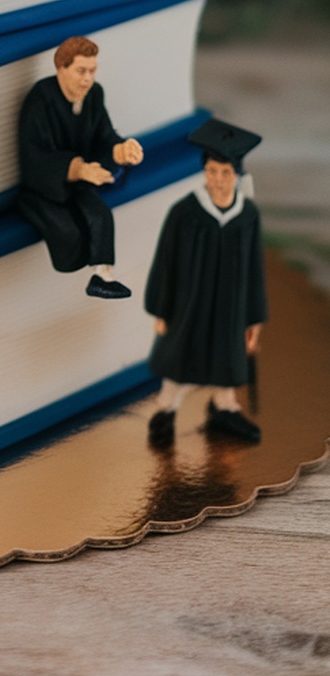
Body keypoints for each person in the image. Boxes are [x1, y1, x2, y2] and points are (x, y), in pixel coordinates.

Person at [145, 116, 267, 445]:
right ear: (204, 172)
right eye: (212, 171)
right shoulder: (185, 213)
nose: (218, 180)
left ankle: (224, 409)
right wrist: (160, 309)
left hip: (231, 305)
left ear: (237, 175)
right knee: (181, 356)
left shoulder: (247, 215)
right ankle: (165, 411)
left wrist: (254, 317)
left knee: (227, 356)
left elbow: (255, 268)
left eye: (226, 173)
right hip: (190, 303)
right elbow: (165, 262)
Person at [17, 36, 144, 297]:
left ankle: (103, 276)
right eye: (80, 71)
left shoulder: (94, 95)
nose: (87, 79)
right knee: (69, 235)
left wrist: (120, 149)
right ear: (61, 69)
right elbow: (36, 155)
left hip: (81, 180)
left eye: (92, 71)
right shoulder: (41, 100)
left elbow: (105, 134)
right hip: (48, 187)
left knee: (100, 214)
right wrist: (77, 169)